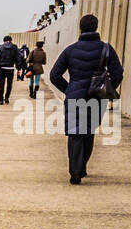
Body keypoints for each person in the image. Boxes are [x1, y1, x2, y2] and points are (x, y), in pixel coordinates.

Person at [49, 14, 124, 184]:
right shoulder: (106, 49)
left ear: (80, 28)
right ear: (96, 27)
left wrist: (69, 89)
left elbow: (54, 75)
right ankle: (82, 168)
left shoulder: (70, 50)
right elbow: (118, 73)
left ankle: (75, 172)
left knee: (75, 133)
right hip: (96, 98)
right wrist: (106, 89)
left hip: (75, 96)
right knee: (88, 132)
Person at [0, 35, 20, 104]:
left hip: (1, 69)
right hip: (10, 69)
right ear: (11, 40)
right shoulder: (14, 47)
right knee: (9, 84)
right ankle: (7, 98)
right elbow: (18, 58)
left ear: (4, 41)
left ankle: (1, 100)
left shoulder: (0, 48)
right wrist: (18, 68)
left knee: (1, 85)